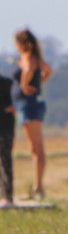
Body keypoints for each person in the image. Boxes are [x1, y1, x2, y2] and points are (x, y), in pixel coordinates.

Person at [13, 28, 53, 200]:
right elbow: (48, 70)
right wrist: (40, 81)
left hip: (29, 104)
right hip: (29, 104)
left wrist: (24, 84)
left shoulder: (28, 56)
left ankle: (38, 187)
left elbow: (29, 69)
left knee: (37, 149)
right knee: (35, 148)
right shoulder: (36, 57)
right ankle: (38, 186)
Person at [0, 73, 14, 208]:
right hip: (7, 123)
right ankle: (6, 195)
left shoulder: (7, 83)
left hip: (5, 124)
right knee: (5, 160)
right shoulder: (8, 82)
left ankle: (7, 195)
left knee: (5, 160)